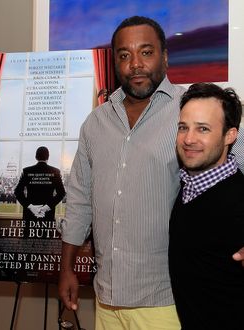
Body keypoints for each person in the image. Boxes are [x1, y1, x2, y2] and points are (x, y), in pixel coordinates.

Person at [58, 15, 244, 330]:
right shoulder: (95, 123)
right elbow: (78, 200)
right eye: (124, 55)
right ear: (115, 61)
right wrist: (66, 268)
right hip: (106, 300)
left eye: (146, 52)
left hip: (167, 300)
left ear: (165, 57)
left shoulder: (191, 112)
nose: (135, 64)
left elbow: (235, 171)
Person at [168, 83, 244, 330]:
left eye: (203, 129)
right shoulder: (186, 187)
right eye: (183, 128)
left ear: (229, 136)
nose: (189, 139)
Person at [14, 146, 66, 221]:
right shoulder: (55, 172)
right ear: (48, 157)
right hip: (47, 215)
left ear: (36, 157)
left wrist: (31, 207)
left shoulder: (27, 171)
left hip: (29, 215)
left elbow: (17, 192)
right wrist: (46, 207)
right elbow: (61, 193)